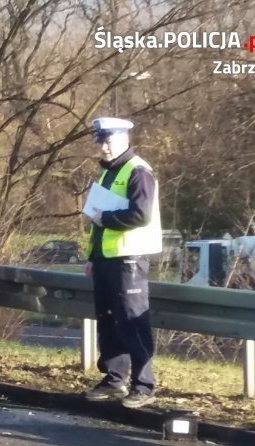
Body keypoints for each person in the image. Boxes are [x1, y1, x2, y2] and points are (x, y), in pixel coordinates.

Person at [83, 117, 162, 408]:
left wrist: (107, 219)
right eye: (101, 142)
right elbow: (96, 222)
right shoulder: (108, 173)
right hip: (107, 259)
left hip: (129, 258)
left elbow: (141, 215)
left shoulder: (138, 171)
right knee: (108, 320)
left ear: (125, 138)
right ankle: (115, 380)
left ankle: (143, 385)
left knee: (132, 322)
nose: (103, 147)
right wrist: (93, 257)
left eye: (108, 141)